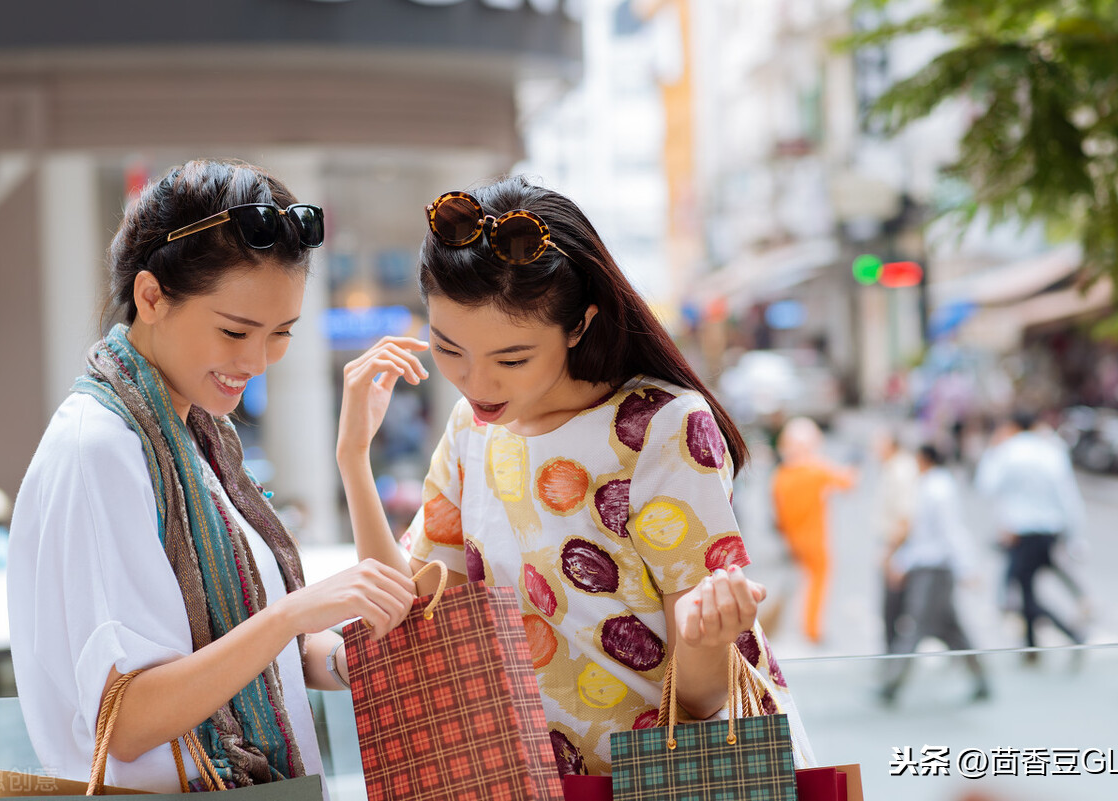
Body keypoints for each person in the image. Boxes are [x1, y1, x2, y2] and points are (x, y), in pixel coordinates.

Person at [335, 177, 815, 779]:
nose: (477, 384)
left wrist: (708, 633)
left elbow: (701, 699)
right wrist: (354, 458)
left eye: (512, 359)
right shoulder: (471, 430)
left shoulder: (658, 428)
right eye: (448, 348)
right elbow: (414, 620)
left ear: (580, 325)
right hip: (535, 781)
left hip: (671, 779)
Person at [7, 160, 416, 795]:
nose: (254, 360)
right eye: (233, 330)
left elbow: (247, 658)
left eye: (280, 333)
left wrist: (340, 656)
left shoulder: (196, 439)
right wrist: (290, 616)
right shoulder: (100, 447)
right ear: (151, 296)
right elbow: (127, 719)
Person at [878, 444, 989, 706]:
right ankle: (981, 679)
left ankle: (891, 685)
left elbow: (949, 532)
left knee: (916, 627)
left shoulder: (937, 489)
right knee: (951, 630)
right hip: (930, 568)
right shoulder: (932, 486)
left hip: (935, 570)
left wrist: (967, 567)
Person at [975, 409, 1086, 654]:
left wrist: (993, 448)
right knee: (1025, 590)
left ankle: (1070, 634)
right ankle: (1031, 646)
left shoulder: (1007, 451)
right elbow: (1068, 497)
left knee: (1022, 592)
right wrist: (1075, 536)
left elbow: (986, 486)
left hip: (1021, 534)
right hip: (1048, 532)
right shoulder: (1050, 451)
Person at [770, 417, 856, 645]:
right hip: (815, 539)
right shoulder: (815, 469)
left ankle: (805, 625)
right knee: (818, 580)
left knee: (804, 580)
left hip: (792, 539)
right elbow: (848, 482)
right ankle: (812, 628)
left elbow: (777, 515)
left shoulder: (780, 476)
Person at [872, 430, 919, 652]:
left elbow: (905, 516)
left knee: (894, 606)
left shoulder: (900, 471)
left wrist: (890, 552)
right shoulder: (894, 467)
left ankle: (895, 655)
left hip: (900, 545)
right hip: (897, 542)